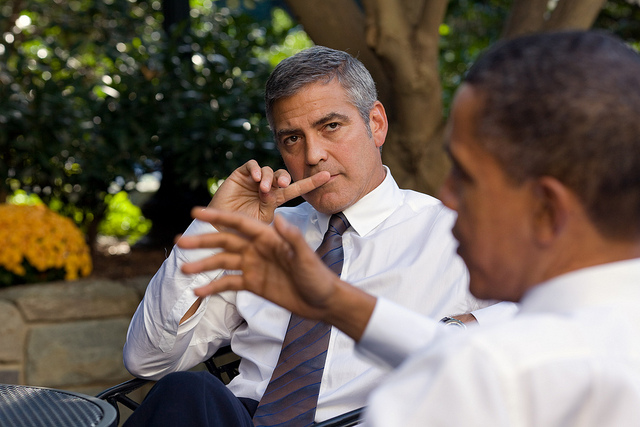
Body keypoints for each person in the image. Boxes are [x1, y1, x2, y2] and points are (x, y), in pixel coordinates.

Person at [177, 30, 640, 426]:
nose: (448, 196)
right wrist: (338, 303)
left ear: (547, 208)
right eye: (293, 138)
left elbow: (478, 367)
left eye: (466, 176)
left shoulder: (469, 385)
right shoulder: (590, 343)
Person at [123, 46, 515, 425]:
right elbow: (148, 360)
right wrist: (213, 225)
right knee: (186, 390)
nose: (312, 155)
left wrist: (456, 332)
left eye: (331, 126)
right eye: (292, 138)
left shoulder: (453, 231)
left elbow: (561, 322)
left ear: (375, 124)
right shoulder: (264, 233)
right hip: (249, 416)